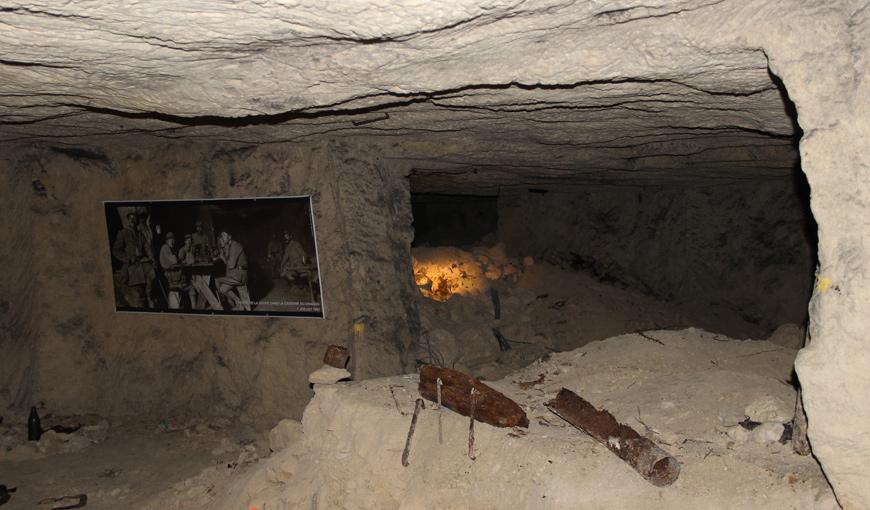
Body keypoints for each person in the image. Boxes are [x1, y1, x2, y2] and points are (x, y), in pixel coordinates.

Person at [112, 212, 156, 307]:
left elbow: (147, 248)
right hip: (131, 264)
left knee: (152, 273)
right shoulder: (123, 233)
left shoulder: (140, 235)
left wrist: (152, 260)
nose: (132, 220)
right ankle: (142, 304)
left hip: (142, 262)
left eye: (134, 218)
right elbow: (115, 250)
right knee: (138, 291)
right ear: (128, 220)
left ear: (137, 221)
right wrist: (128, 258)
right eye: (130, 218)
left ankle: (149, 296)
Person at [179, 233, 222, 310]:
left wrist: (197, 260)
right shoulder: (182, 250)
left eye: (190, 241)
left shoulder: (192, 249)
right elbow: (181, 263)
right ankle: (216, 306)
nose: (189, 242)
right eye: (187, 241)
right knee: (201, 283)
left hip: (193, 273)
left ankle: (203, 307)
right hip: (186, 277)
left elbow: (194, 259)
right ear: (185, 242)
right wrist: (187, 261)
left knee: (203, 280)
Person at [214, 230, 250, 310]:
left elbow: (230, 265)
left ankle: (227, 303)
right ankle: (238, 302)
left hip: (240, 275)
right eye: (221, 236)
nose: (222, 237)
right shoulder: (229, 245)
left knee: (217, 280)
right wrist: (222, 250)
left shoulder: (235, 246)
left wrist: (222, 257)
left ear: (229, 237)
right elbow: (227, 259)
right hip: (235, 274)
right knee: (223, 289)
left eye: (223, 236)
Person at [159, 232, 184, 309]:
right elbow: (174, 261)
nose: (172, 242)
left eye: (173, 239)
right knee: (175, 292)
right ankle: (174, 308)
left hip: (173, 275)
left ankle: (177, 306)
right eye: (170, 240)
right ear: (166, 241)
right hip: (169, 276)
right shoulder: (165, 248)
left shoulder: (170, 248)